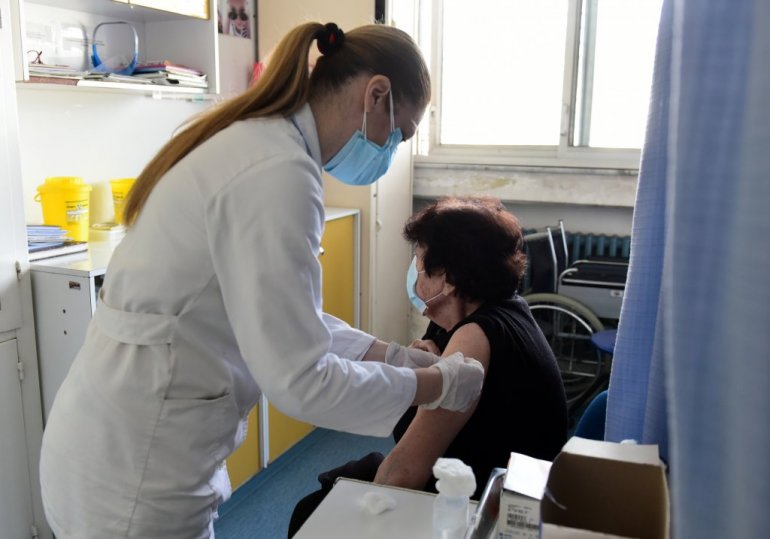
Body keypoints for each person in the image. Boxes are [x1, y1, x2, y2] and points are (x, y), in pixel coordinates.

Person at [39, 22, 484, 539]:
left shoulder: (259, 141)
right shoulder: (279, 173)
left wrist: (391, 356)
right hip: (136, 476)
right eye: (400, 134)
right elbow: (303, 382)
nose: (392, 150)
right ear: (376, 95)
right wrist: (437, 386)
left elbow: (279, 316)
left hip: (110, 445)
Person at [289, 196, 567, 536]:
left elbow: (406, 471)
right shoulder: (489, 311)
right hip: (479, 487)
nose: (414, 271)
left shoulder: (475, 336)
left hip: (482, 510)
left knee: (312, 513)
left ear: (447, 279)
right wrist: (416, 363)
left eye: (419, 261)